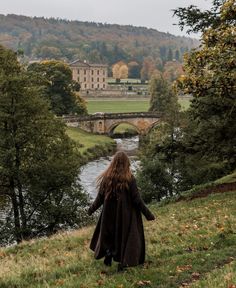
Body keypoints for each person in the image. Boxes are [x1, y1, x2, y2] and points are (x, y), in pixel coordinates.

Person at [88, 151, 155, 271]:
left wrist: (90, 210)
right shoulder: (129, 179)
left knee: (111, 236)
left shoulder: (106, 178)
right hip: (125, 216)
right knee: (123, 238)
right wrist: (148, 214)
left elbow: (99, 199)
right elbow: (137, 200)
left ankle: (109, 253)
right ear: (126, 164)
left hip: (108, 216)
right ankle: (121, 263)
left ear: (113, 163)